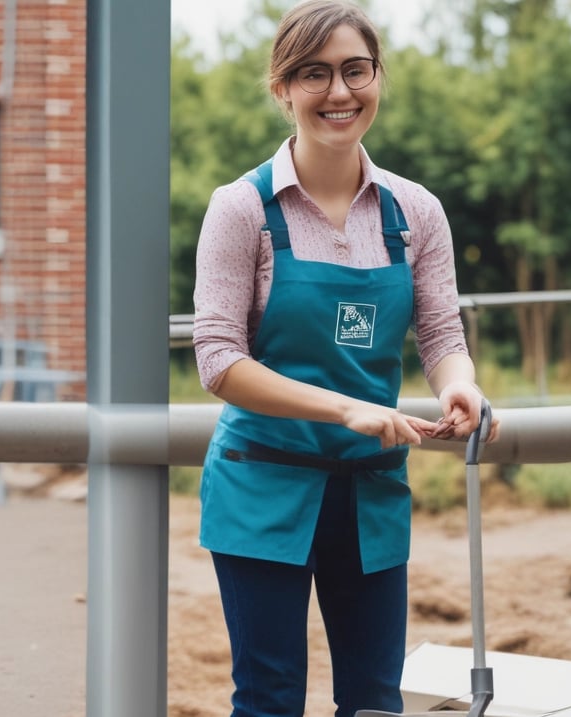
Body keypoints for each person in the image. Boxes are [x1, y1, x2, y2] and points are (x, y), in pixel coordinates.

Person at [192, 1, 498, 716]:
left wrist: (461, 387)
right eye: (314, 74)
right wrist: (347, 407)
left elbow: (441, 333)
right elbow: (218, 360)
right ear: (283, 89)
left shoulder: (415, 211)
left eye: (355, 70)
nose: (339, 92)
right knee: (268, 698)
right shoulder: (241, 209)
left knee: (374, 701)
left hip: (370, 491)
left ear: (377, 77)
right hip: (261, 484)